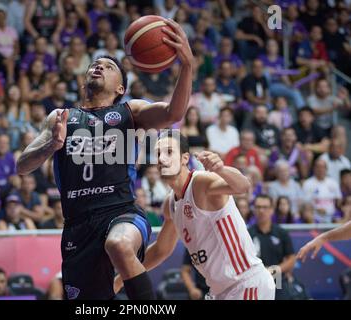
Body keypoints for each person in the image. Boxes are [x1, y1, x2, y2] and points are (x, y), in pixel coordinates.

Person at [16, 18, 193, 300]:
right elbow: (22, 165)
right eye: (95, 64)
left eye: (108, 66)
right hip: (78, 225)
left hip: (121, 211)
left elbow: (173, 114)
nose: (98, 66)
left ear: (120, 88)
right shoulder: (61, 117)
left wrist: (187, 66)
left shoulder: (130, 112)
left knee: (120, 245)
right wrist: (52, 144)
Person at [115, 132, 274, 300]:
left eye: (169, 152)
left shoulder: (201, 183)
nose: (162, 159)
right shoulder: (170, 205)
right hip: (218, 291)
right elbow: (160, 251)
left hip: (246, 283)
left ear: (185, 158)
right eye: (158, 154)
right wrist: (121, 279)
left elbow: (243, 186)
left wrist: (221, 169)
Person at [248, 195, 297, 300]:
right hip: (254, 280)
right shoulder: (247, 234)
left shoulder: (281, 233)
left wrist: (274, 270)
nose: (261, 210)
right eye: (258, 207)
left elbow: (292, 258)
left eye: (265, 207)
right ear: (254, 210)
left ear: (272, 210)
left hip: (277, 278)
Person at [302, 159, 342, 223]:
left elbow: (338, 200)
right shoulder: (308, 183)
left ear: (326, 169)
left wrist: (332, 210)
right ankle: (314, 232)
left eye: (322, 167)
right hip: (315, 214)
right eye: (318, 167)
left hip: (331, 215)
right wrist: (316, 209)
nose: (320, 169)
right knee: (307, 214)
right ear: (314, 168)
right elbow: (306, 203)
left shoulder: (333, 182)